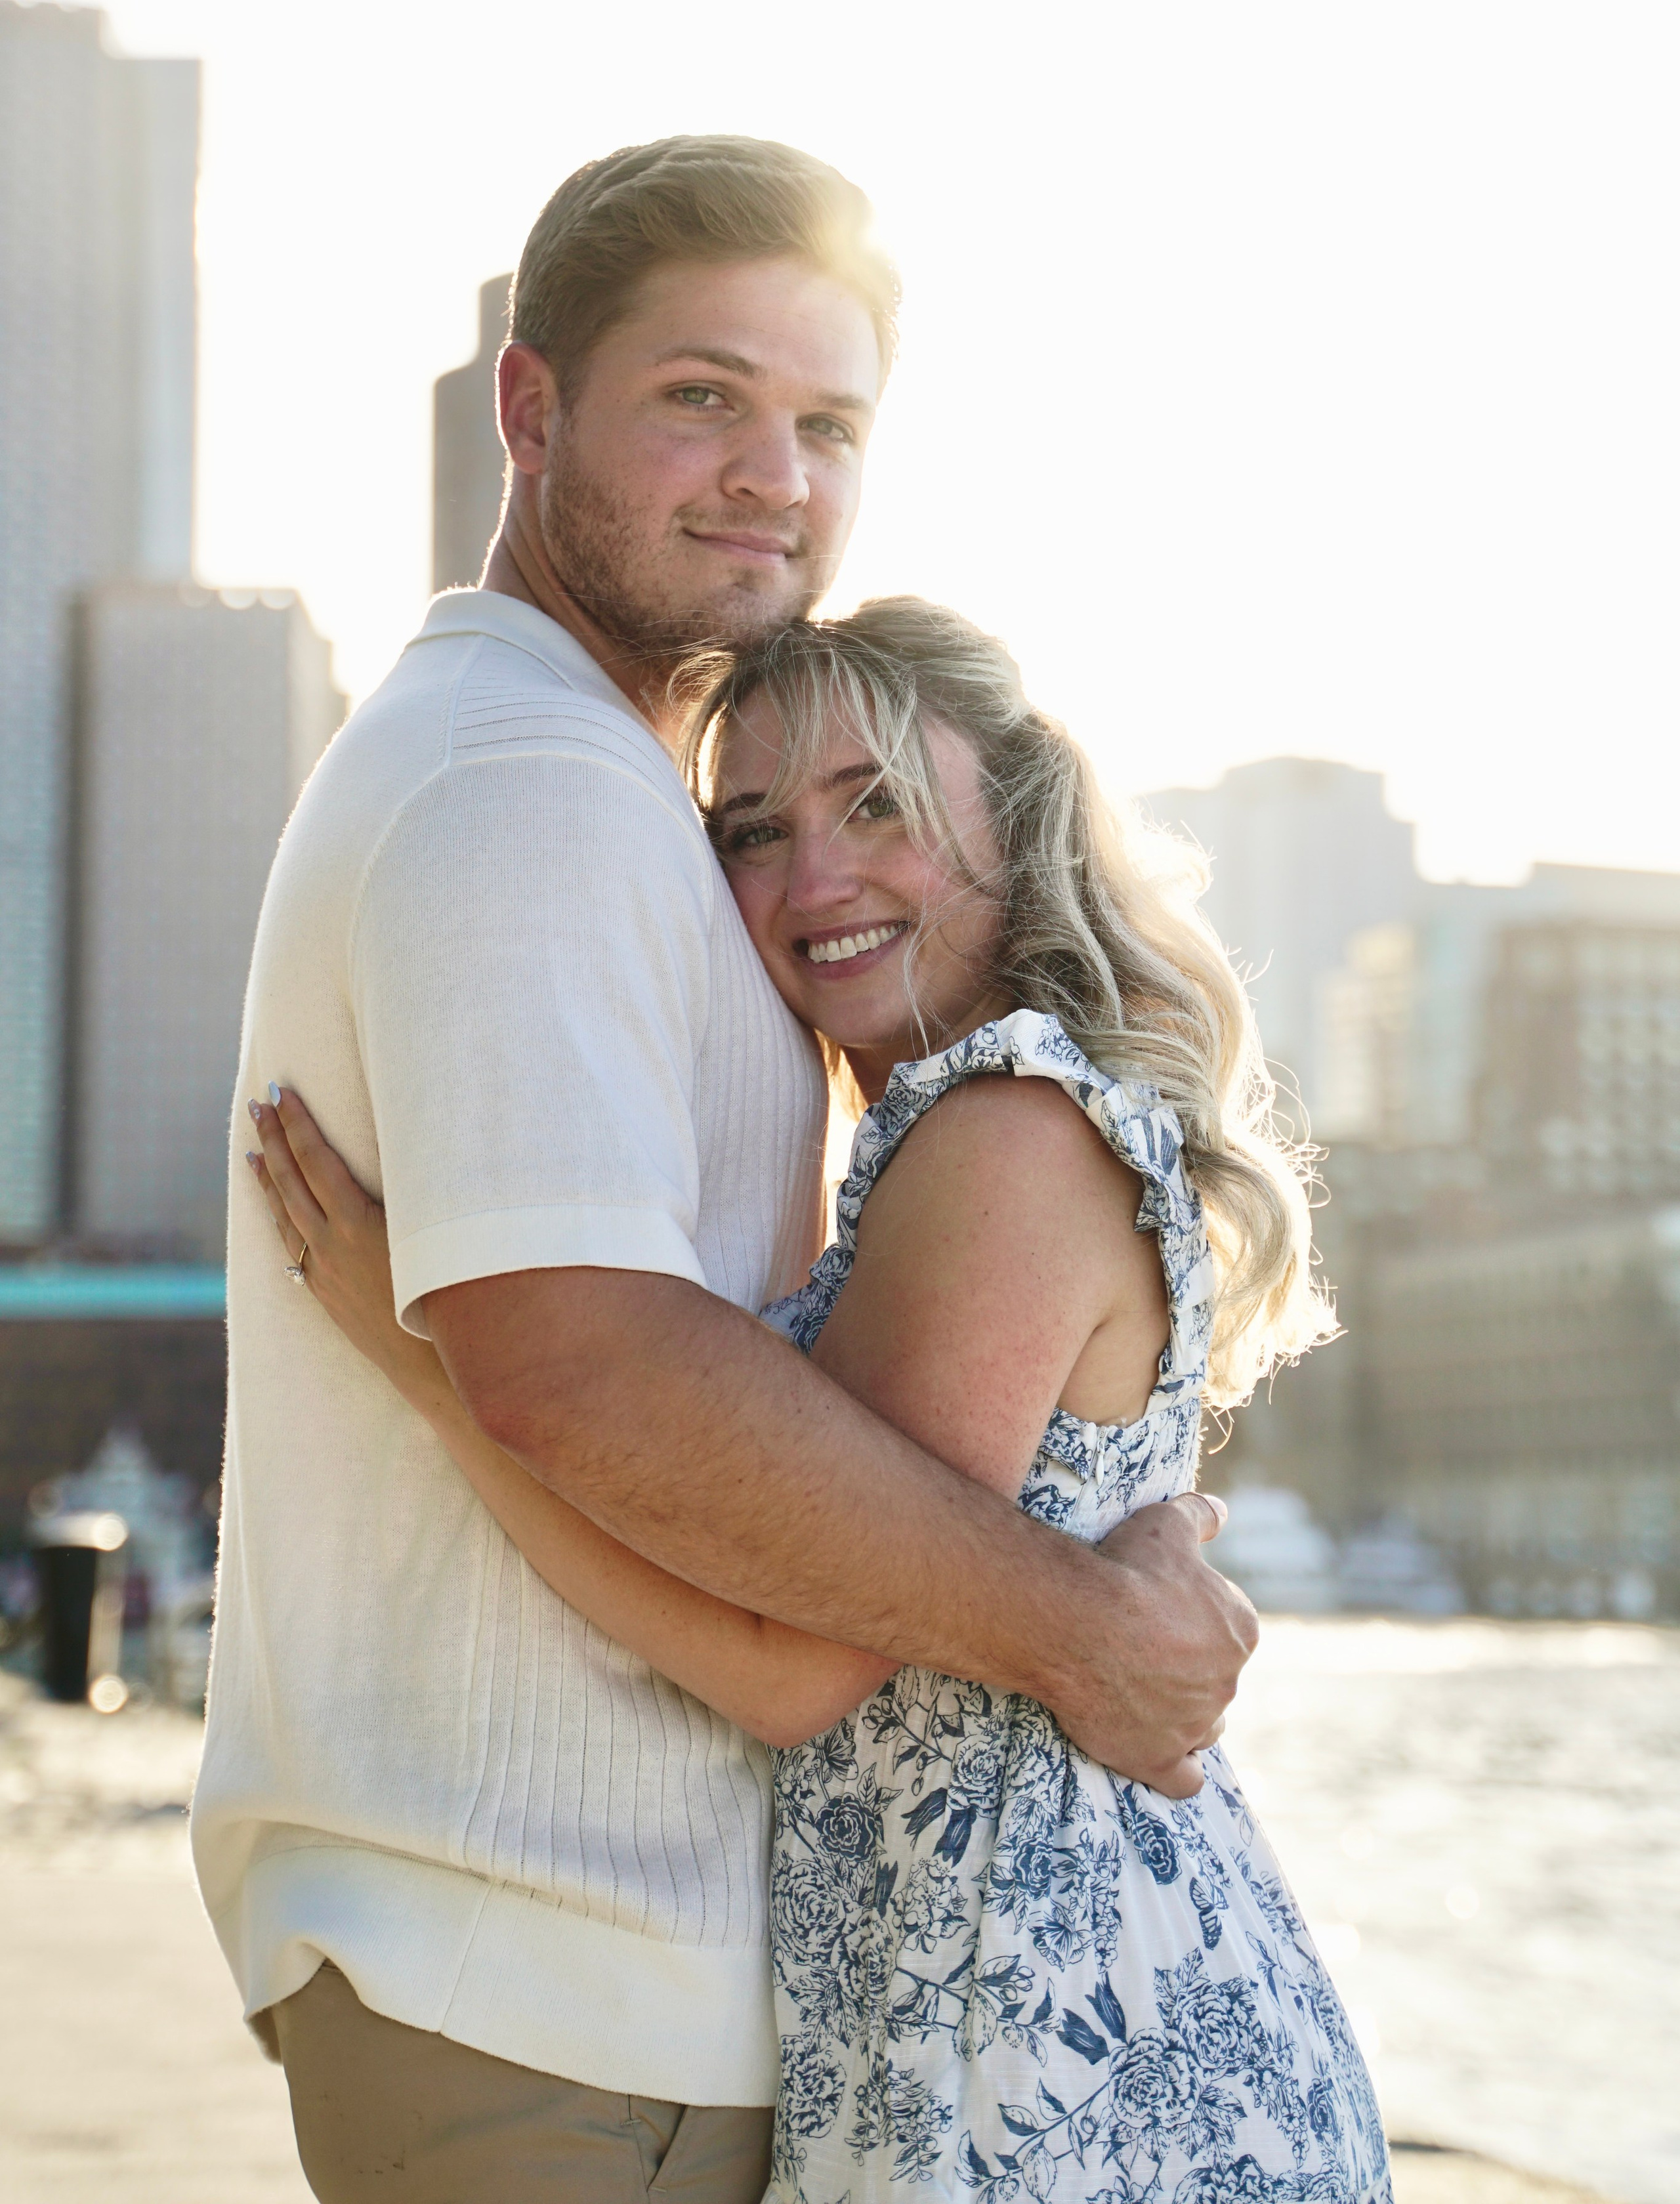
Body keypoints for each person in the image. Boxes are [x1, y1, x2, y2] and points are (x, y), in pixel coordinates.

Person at [193, 136, 1259, 2203]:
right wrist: (1080, 1621)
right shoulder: (535, 784)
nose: (776, 469)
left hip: (787, 2009)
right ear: (529, 409)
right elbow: (578, 1364)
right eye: (702, 395)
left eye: (827, 421)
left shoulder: (973, 1105)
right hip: (560, 1987)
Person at [249, 598, 1391, 2203]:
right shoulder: (956, 1132)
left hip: (1048, 2048)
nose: (813, 878)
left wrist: (432, 1369)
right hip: (977, 2010)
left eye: (877, 805)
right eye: (753, 830)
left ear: (1014, 813)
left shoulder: (999, 1134)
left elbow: (792, 1670)